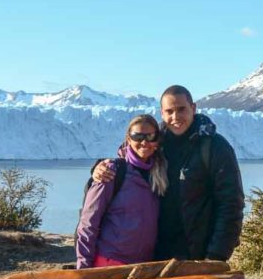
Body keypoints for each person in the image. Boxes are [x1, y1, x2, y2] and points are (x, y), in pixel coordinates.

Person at [93, 85, 244, 262]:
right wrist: (100, 166)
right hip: (155, 255)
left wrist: (216, 255)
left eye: (181, 109)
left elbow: (231, 204)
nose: (175, 117)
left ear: (193, 108)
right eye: (169, 111)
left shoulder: (215, 147)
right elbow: (129, 159)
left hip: (198, 255)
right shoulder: (155, 142)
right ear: (162, 113)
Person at [75, 114, 168, 268]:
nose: (144, 142)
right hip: (109, 263)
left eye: (150, 136)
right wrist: (83, 269)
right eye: (137, 136)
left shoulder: (160, 174)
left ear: (157, 141)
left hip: (142, 267)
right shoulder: (112, 172)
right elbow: (88, 223)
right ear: (128, 139)